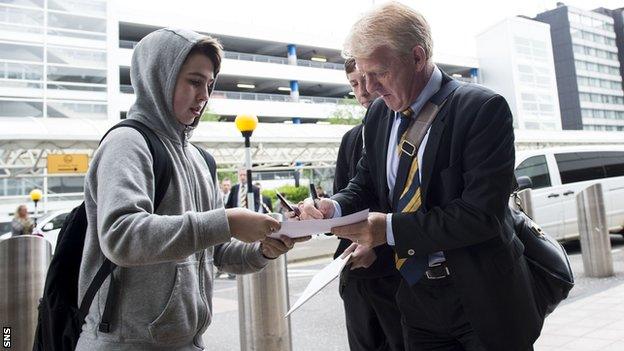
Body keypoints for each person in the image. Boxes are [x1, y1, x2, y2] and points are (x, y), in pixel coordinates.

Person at [301, 3, 542, 350]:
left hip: (484, 299)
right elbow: (366, 184)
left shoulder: (481, 109)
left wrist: (386, 229)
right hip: (416, 299)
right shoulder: (378, 116)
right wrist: (332, 209)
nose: (369, 89)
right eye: (362, 76)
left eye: (379, 73)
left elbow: (481, 216)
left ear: (417, 57)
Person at [76, 28, 306, 350]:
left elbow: (219, 254)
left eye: (210, 85)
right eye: (194, 82)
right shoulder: (127, 143)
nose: (204, 96)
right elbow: (121, 235)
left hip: (188, 340)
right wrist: (226, 222)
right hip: (125, 342)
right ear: (161, 77)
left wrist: (264, 249)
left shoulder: (200, 159)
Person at [333, 57, 404, 351]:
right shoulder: (351, 139)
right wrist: (322, 212)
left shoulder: (407, 127)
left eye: (368, 79)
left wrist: (380, 247)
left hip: (398, 272)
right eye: (354, 84)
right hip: (358, 276)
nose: (363, 90)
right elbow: (345, 196)